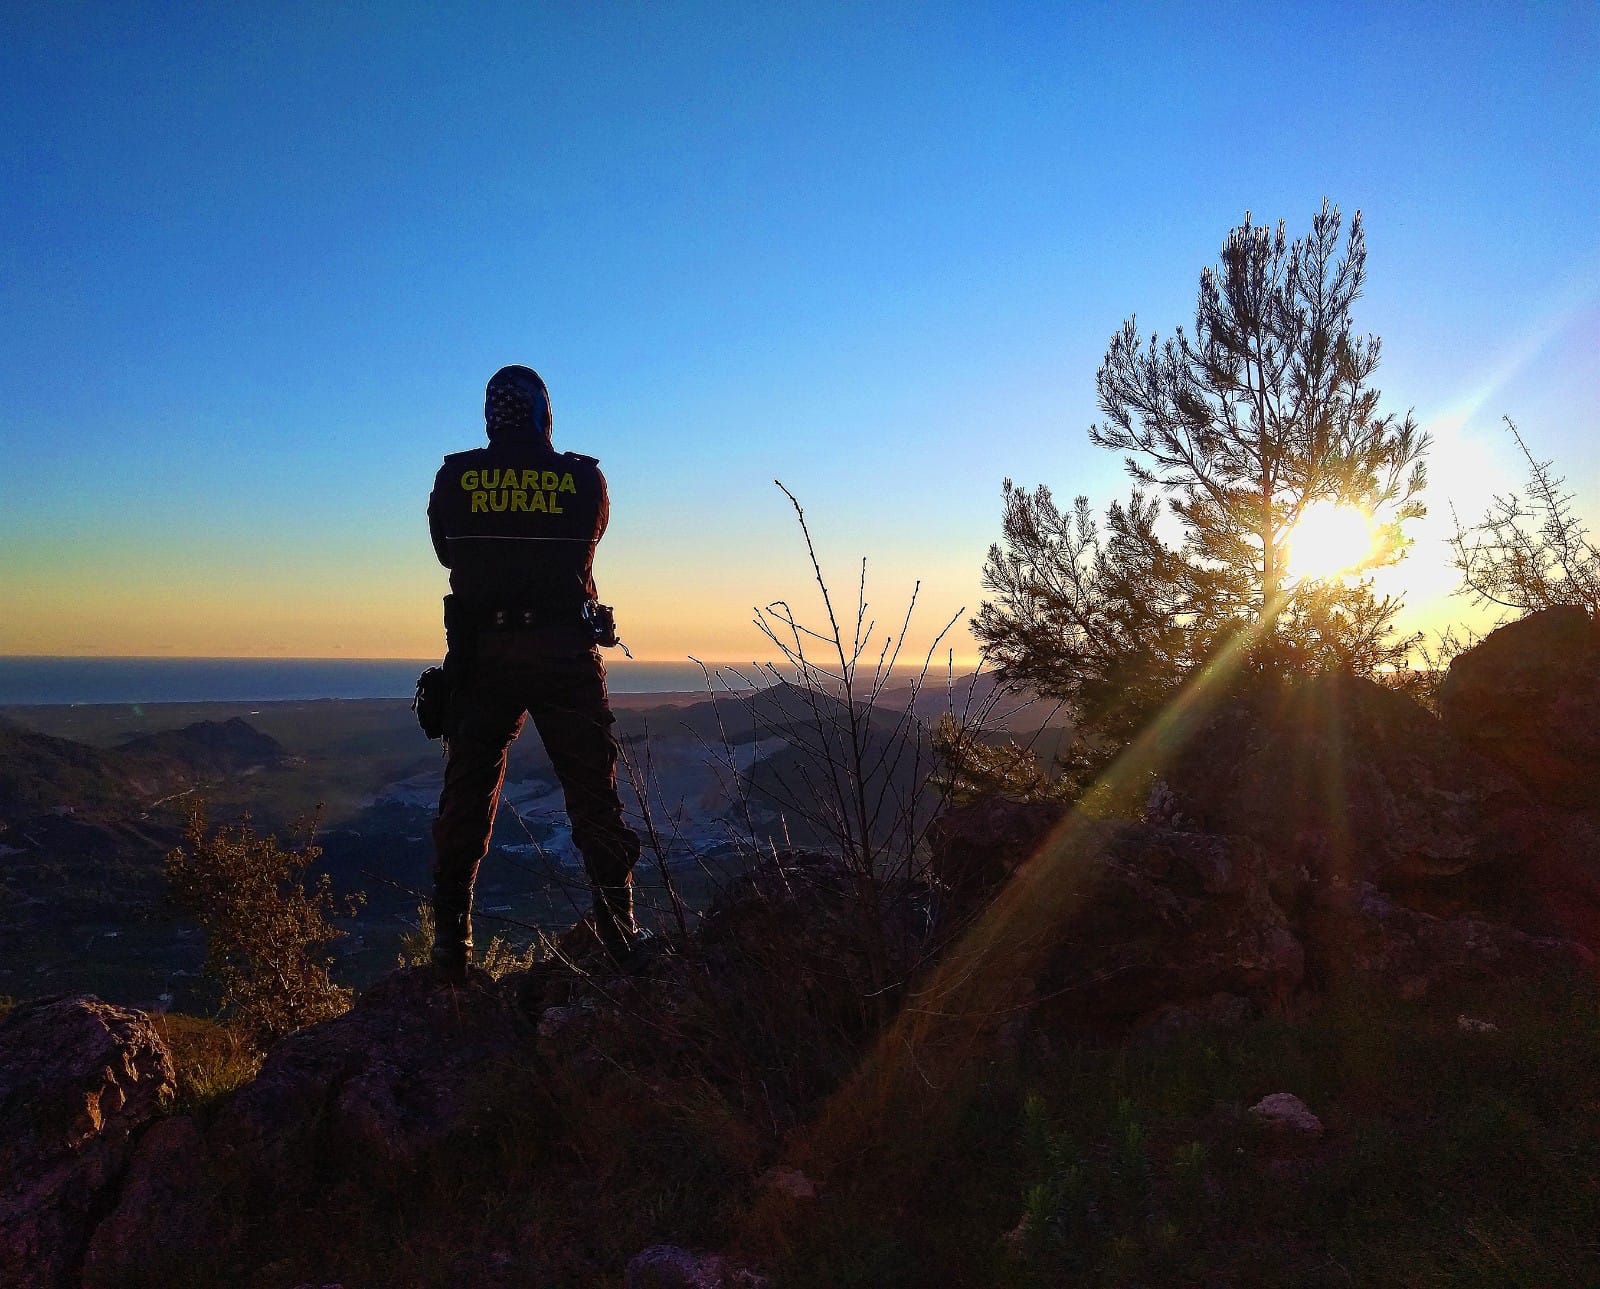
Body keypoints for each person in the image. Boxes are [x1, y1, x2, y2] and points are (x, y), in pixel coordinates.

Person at [426, 364, 642, 981]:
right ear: (545, 415)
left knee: (467, 791)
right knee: (593, 794)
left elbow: (446, 548)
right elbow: (591, 537)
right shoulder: (581, 480)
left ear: (491, 416)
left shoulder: (456, 478)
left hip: (481, 655)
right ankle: (618, 926)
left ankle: (450, 941)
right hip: (563, 655)